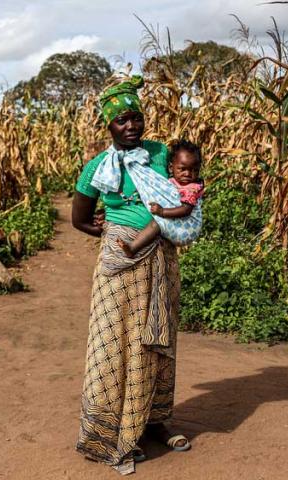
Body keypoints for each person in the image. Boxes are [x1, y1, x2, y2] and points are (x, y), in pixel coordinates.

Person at [71, 76, 202, 475]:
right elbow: (79, 219)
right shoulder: (97, 167)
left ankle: (154, 422)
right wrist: (114, 233)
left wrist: (178, 218)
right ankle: (110, 433)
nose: (131, 126)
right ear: (108, 126)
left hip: (160, 258)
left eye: (136, 118)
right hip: (118, 263)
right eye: (121, 120)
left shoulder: (161, 154)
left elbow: (190, 182)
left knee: (155, 343)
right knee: (114, 344)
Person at [118, 140, 204, 257]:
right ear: (170, 168)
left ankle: (133, 248)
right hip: (178, 225)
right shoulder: (169, 182)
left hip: (186, 229)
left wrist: (162, 211)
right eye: (182, 169)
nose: (188, 174)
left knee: (156, 224)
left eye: (194, 170)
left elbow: (186, 210)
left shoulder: (191, 189)